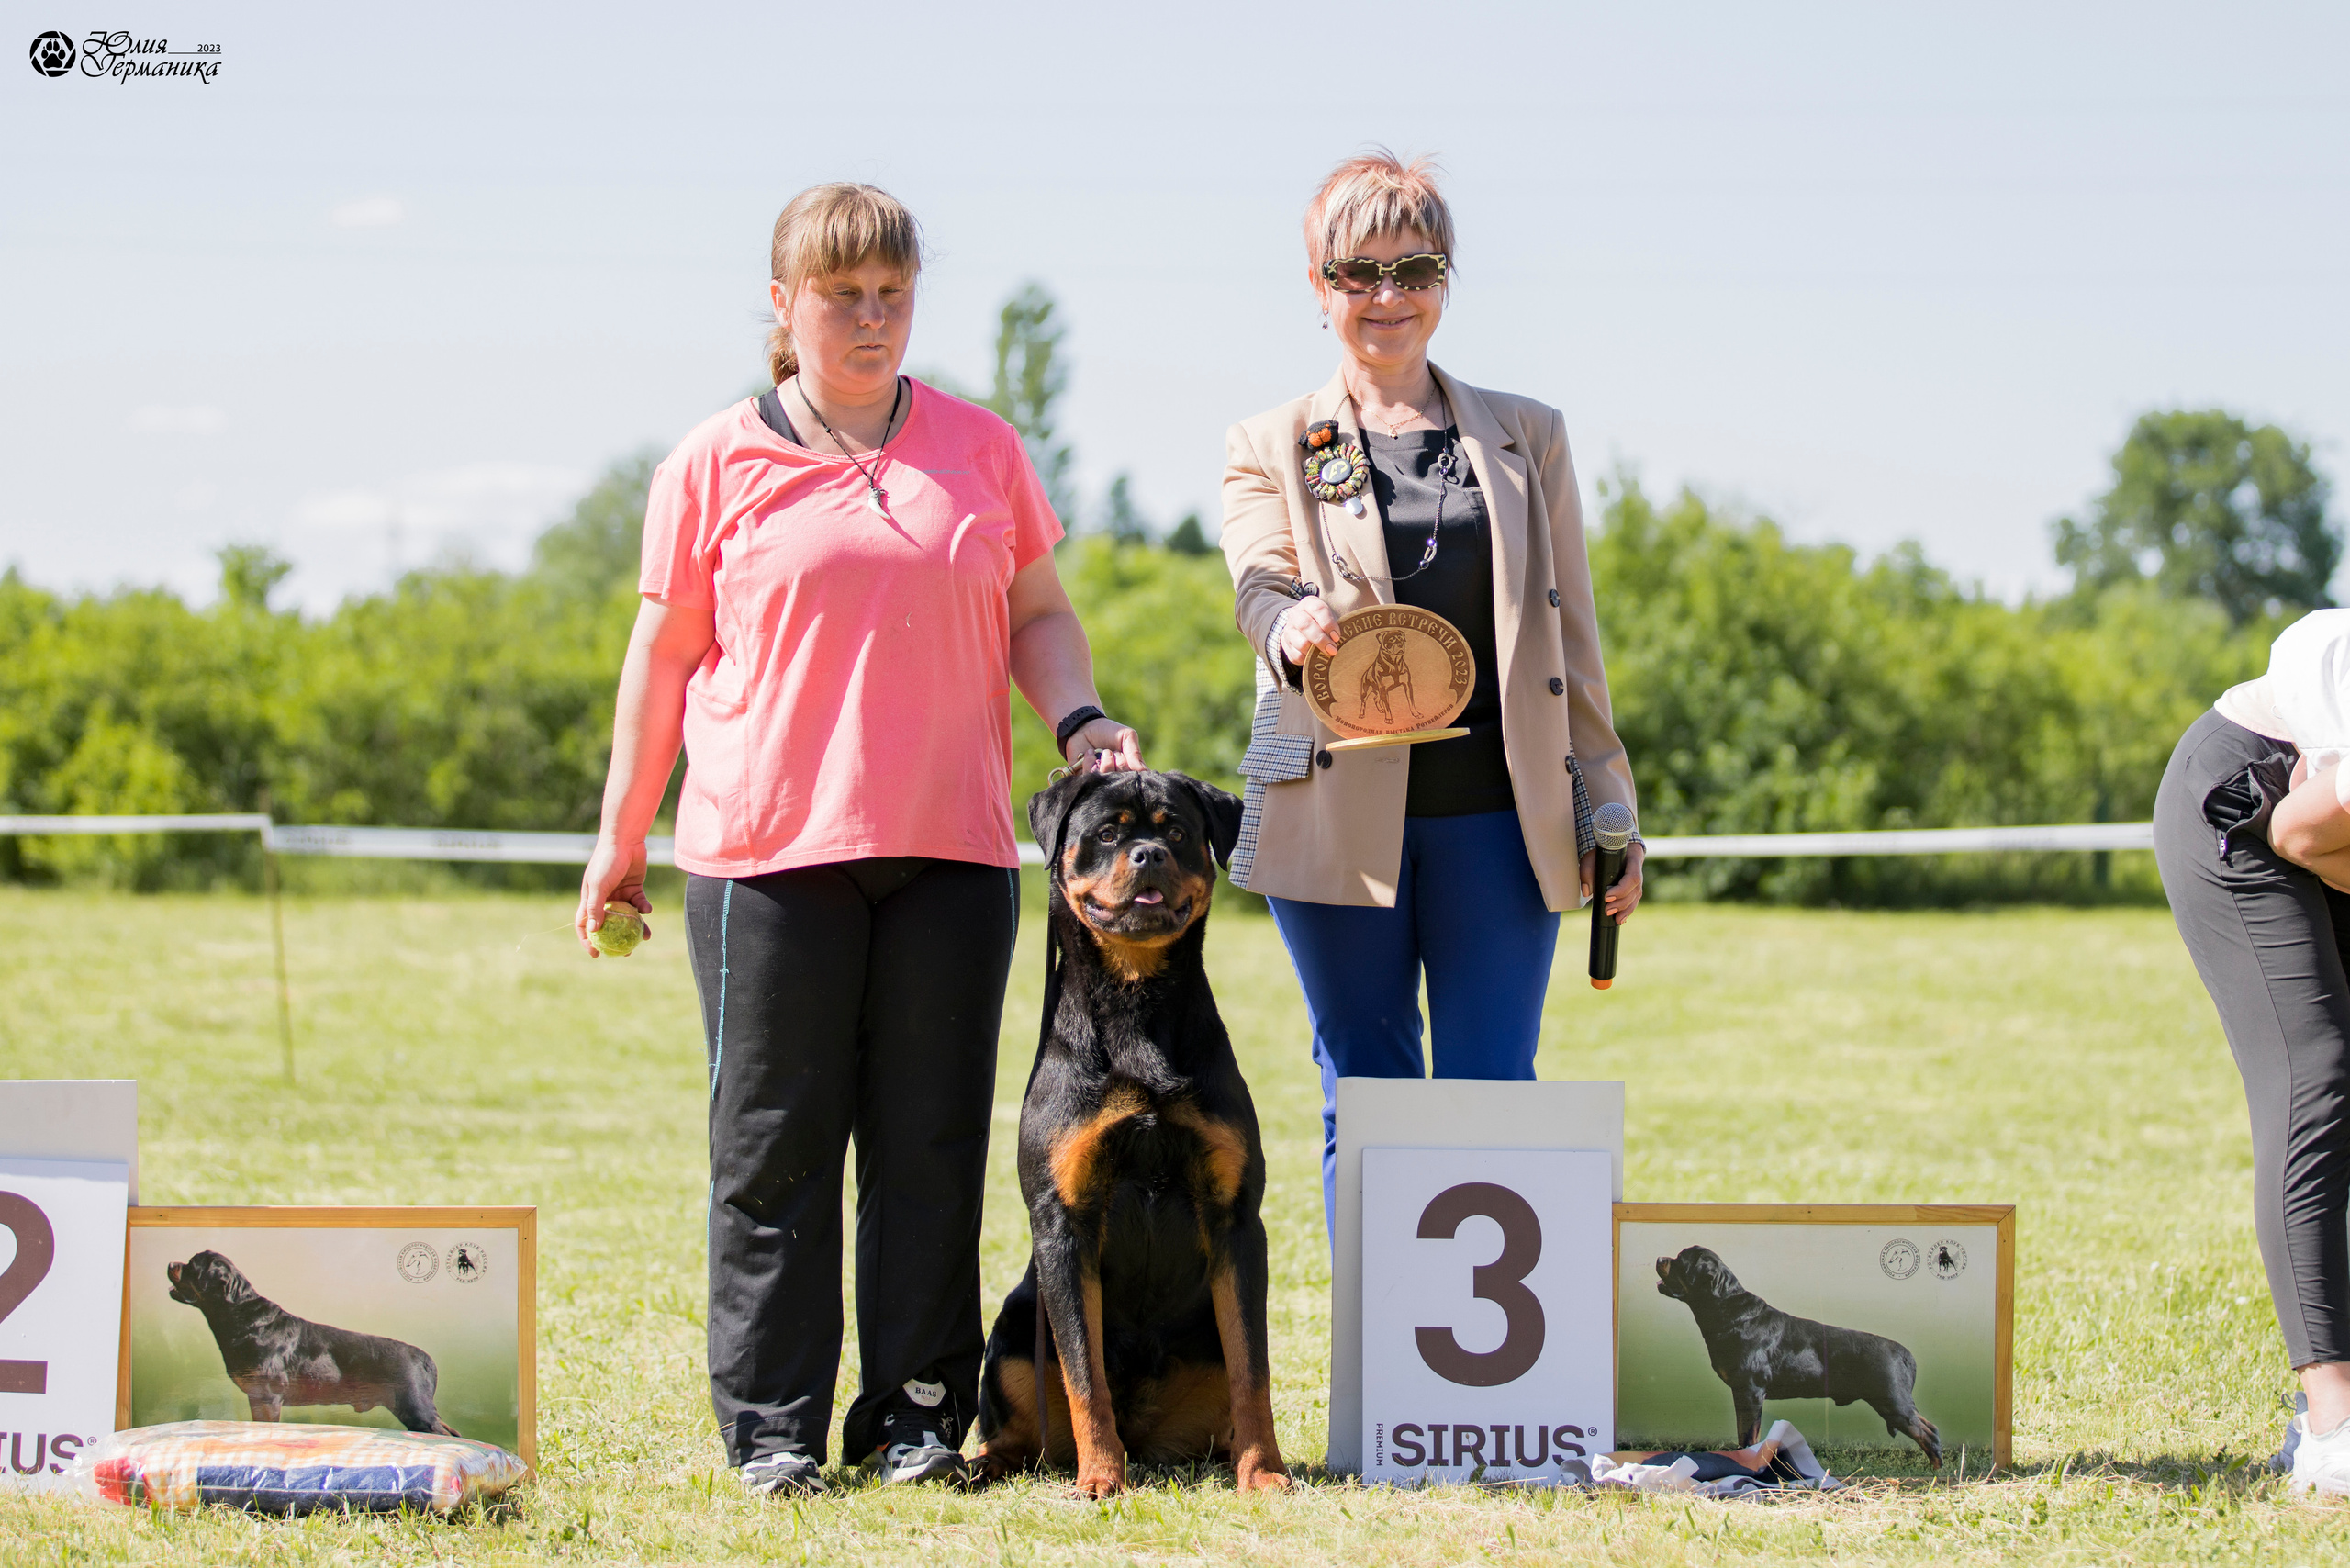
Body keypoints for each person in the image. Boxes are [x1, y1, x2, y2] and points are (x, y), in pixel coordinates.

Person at [574, 182, 1143, 1498]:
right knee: (773, 1149)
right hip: (762, 856)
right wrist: (620, 840)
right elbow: (660, 661)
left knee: (932, 1142)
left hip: (951, 852)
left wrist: (1079, 717)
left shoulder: (982, 448)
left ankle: (911, 1420)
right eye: (843, 296)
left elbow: (1038, 613)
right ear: (785, 306)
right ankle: (773, 1430)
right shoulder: (714, 460)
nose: (873, 319)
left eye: (893, 295)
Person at [1218, 151, 1642, 1231]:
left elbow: (1572, 641)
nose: (1386, 296)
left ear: (1445, 281)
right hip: (1332, 820)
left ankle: (1496, 1396)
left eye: (1412, 268)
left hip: (1501, 824)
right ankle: (1379, 1380)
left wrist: (1613, 812)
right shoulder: (1272, 443)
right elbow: (1259, 580)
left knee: (1493, 1094)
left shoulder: (1526, 434)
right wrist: (1287, 622)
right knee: (1364, 1094)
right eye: (1356, 273)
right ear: (1318, 287)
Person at [2154, 606, 2350, 1496]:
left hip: (2320, 824)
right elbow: (2299, 834)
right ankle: (2330, 1427)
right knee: (2314, 1073)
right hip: (2242, 806)